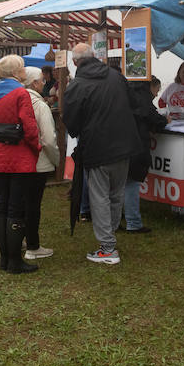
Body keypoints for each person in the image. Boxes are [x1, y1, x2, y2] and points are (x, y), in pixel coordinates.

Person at [62, 42, 136, 265]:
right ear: (95, 56)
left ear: (74, 62)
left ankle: (108, 248)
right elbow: (133, 104)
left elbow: (71, 122)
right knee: (116, 193)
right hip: (124, 144)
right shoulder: (117, 77)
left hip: (97, 147)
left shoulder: (77, 85)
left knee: (100, 196)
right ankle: (109, 237)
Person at [0, 55, 42, 273]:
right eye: (23, 67)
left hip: (1, 155)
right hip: (20, 157)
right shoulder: (21, 93)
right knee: (16, 208)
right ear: (17, 72)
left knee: (2, 206)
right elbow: (30, 127)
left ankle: (4, 259)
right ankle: (15, 261)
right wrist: (36, 147)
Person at [22, 66, 60, 259]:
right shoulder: (40, 105)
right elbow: (49, 139)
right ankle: (33, 246)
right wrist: (56, 160)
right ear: (35, 83)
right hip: (38, 161)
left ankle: (20, 237)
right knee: (33, 205)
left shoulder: (16, 100)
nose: (44, 83)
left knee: (20, 203)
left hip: (18, 161)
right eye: (42, 81)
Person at [124, 73, 166, 234]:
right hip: (137, 146)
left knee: (120, 184)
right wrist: (165, 121)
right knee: (132, 183)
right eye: (157, 90)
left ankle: (115, 220)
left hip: (121, 144)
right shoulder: (143, 98)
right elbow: (154, 119)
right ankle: (133, 222)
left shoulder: (127, 92)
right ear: (151, 86)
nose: (156, 94)